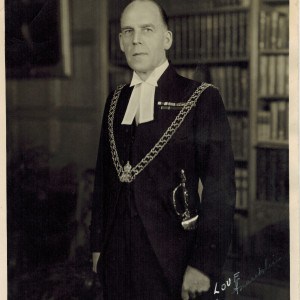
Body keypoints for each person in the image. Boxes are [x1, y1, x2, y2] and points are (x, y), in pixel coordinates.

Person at [90, 0, 236, 299]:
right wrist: (97, 247)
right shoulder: (115, 101)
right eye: (128, 31)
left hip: (173, 260)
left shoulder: (201, 98)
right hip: (116, 256)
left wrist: (203, 266)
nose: (136, 39)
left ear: (166, 39)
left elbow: (221, 192)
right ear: (120, 41)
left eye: (147, 29)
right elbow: (103, 184)